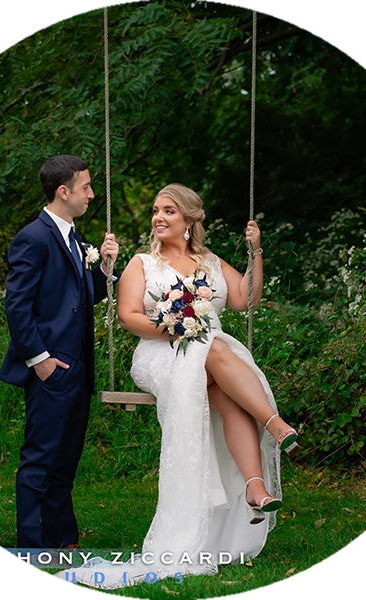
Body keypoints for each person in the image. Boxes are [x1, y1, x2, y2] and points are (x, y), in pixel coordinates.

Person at [44, 183, 297, 589]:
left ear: (189, 220)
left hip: (209, 351)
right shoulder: (143, 263)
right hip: (161, 352)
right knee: (211, 355)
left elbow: (244, 300)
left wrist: (256, 253)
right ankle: (272, 424)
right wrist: (175, 326)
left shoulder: (211, 262)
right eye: (156, 210)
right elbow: (127, 316)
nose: (159, 217)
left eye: (169, 211)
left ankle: (254, 488)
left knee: (217, 375)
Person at [0, 155, 119, 549]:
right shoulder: (33, 237)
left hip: (78, 370)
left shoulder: (76, 240)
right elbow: (16, 306)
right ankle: (32, 546)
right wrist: (41, 360)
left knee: (65, 460)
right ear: (63, 191)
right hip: (50, 368)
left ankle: (62, 536)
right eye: (85, 187)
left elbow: (84, 298)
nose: (91, 194)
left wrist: (102, 270)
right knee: (40, 457)